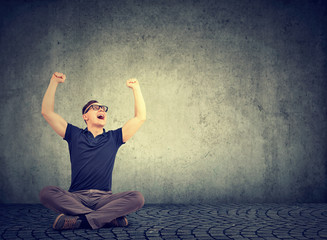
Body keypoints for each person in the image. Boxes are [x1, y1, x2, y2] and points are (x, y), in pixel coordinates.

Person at [39, 72, 146, 230]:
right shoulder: (74, 134)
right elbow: (47, 112)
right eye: (95, 107)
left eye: (103, 108)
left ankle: (82, 220)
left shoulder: (114, 137)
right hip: (76, 197)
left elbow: (140, 118)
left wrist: (136, 88)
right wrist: (54, 82)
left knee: (137, 197)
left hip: (104, 198)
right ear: (85, 116)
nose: (101, 109)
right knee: (46, 193)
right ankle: (107, 218)